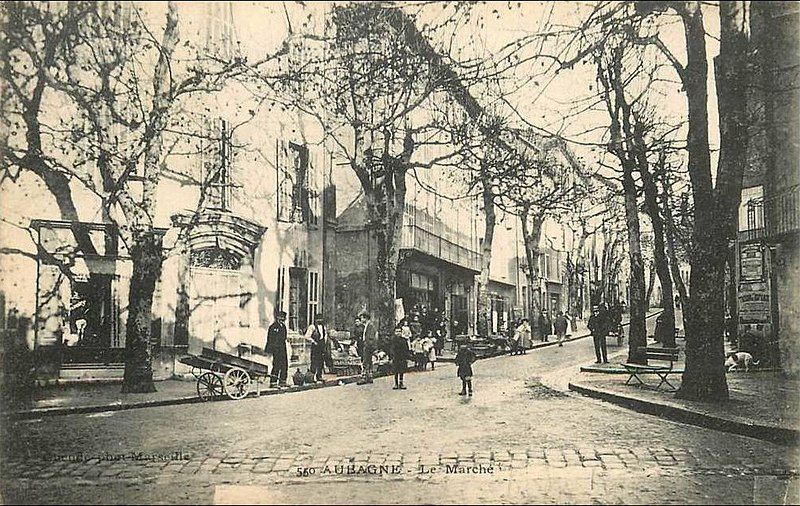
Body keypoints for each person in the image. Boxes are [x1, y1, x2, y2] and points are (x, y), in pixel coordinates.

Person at [265, 311, 289, 388]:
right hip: (276, 349)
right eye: (280, 317)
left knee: (284, 364)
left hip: (283, 348)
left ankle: (283, 381)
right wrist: (270, 350)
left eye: (283, 318)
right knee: (276, 365)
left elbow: (284, 338)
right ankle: (273, 382)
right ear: (277, 318)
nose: (282, 319)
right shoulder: (273, 327)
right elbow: (270, 339)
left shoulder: (284, 327)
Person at [305, 313, 328, 382]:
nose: (320, 320)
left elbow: (325, 335)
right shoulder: (312, 327)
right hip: (315, 346)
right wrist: (313, 341)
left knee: (321, 361)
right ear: (315, 320)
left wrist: (324, 342)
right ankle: (312, 377)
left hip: (321, 345)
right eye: (318, 319)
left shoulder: (324, 327)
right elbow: (307, 336)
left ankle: (319, 376)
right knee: (314, 361)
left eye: (321, 319)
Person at [357, 311, 378, 385]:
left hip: (368, 346)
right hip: (367, 345)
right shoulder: (367, 325)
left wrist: (368, 346)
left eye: (362, 317)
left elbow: (371, 338)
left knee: (365, 361)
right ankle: (369, 376)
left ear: (365, 317)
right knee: (368, 361)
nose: (361, 319)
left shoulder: (370, 326)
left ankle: (364, 377)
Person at [391, 326, 410, 390]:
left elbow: (406, 349)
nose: (398, 333)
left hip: (402, 357)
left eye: (399, 331)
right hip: (396, 357)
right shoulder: (393, 340)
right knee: (396, 371)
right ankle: (396, 383)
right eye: (397, 331)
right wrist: (391, 356)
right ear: (394, 332)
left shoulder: (404, 340)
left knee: (401, 370)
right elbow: (391, 349)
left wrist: (407, 356)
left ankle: (401, 383)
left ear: (401, 332)